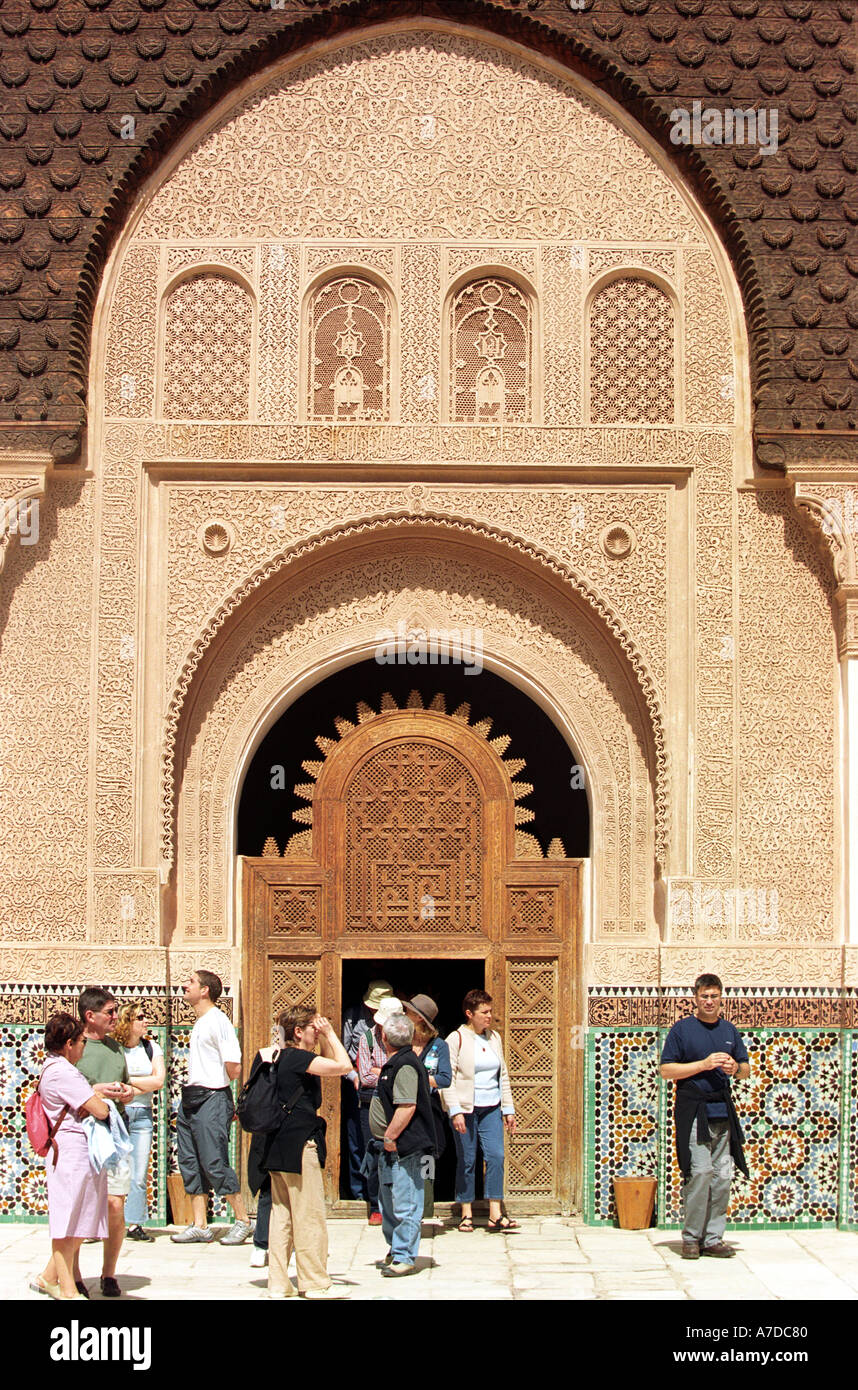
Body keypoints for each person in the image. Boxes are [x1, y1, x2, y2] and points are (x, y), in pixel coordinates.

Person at [261, 1005, 352, 1299]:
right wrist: (331, 1033)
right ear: (298, 1032)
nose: (318, 1032)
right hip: (300, 1144)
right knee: (309, 1214)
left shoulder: (275, 1057)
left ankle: (278, 1282)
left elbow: (324, 1062)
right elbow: (343, 1066)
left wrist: (322, 1036)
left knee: (283, 1216)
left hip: (276, 1144)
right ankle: (314, 1283)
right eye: (313, 1028)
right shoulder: (299, 1058)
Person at [660, 973, 750, 1260]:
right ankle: (691, 1237)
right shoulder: (682, 1030)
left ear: (721, 998)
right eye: (704, 996)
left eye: (714, 996)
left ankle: (712, 1238)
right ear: (696, 999)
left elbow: (746, 1069)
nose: (709, 1001)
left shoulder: (729, 1030)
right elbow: (666, 1071)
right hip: (694, 1113)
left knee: (722, 1176)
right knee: (700, 1172)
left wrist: (735, 1067)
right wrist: (703, 1064)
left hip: (722, 1112)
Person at [29, 1013, 111, 1301]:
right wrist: (102, 1101)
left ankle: (48, 1278)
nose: (83, 1049)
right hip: (71, 1153)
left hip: (76, 1154)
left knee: (79, 1221)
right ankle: (66, 1289)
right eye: (80, 1043)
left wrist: (95, 1095)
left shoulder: (55, 1069)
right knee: (68, 1223)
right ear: (68, 1044)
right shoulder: (63, 1071)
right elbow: (100, 1110)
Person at [171, 969, 254, 1245]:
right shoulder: (200, 1022)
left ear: (205, 990)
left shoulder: (219, 1021)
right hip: (191, 1098)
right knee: (190, 1161)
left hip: (212, 1098)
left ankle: (242, 1220)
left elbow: (235, 1067)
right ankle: (200, 1225)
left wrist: (216, 1087)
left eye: (191, 982)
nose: (186, 985)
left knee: (214, 1161)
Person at [75, 987, 137, 1296]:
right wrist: (96, 1090)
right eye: (110, 1012)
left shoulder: (116, 1049)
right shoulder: (75, 1048)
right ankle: (71, 1274)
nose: (115, 1017)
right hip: (83, 1132)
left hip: (115, 1131)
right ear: (91, 1016)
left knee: (115, 1204)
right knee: (80, 1205)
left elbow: (127, 1086)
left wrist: (127, 1092)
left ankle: (108, 1274)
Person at [442, 988, 518, 1233]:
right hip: (466, 1109)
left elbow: (502, 1074)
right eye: (484, 1012)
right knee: (467, 1159)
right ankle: (466, 1212)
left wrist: (508, 1108)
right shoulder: (456, 1039)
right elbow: (447, 1078)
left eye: (490, 1011)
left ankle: (495, 1212)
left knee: (496, 1156)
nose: (489, 1016)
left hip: (491, 1108)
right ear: (469, 1014)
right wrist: (455, 1110)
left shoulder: (494, 1038)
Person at [371, 1012, 436, 1278]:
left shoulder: (406, 1065)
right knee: (388, 1202)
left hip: (404, 1148)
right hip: (390, 1148)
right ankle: (396, 1249)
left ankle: (405, 1256)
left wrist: (390, 1137)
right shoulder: (397, 1062)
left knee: (406, 1201)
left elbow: (407, 1106)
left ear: (384, 1037)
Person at [114, 1001, 166, 1242]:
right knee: (111, 1169)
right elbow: (112, 1081)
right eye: (141, 1017)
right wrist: (140, 1082)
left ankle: (134, 1223)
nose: (146, 1021)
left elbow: (158, 1082)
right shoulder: (114, 1049)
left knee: (138, 1171)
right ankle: (104, 1223)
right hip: (118, 1113)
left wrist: (128, 1083)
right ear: (128, 1022)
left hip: (142, 1116)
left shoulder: (151, 1048)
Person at [341, 980, 393, 1207]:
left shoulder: (396, 1026)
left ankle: (384, 1196)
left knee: (385, 1142)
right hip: (357, 1088)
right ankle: (359, 1193)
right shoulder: (353, 1016)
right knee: (357, 1141)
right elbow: (343, 1053)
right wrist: (354, 1076)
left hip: (387, 1091)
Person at [356, 994, 404, 1225]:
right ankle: (375, 1205)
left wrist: (380, 1071)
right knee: (375, 1152)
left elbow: (407, 1072)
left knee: (402, 1153)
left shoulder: (406, 1040)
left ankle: (400, 1203)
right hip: (372, 1103)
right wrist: (389, 1075)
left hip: (401, 1104)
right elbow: (365, 1075)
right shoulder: (367, 1038)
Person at [404, 994, 451, 1218]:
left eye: (409, 1012)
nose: (405, 1015)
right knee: (406, 1157)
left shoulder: (438, 1046)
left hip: (429, 1111)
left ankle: (425, 1207)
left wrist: (419, 1078)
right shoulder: (402, 1042)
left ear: (420, 1019)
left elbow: (444, 1078)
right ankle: (406, 1209)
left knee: (428, 1157)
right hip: (404, 1108)